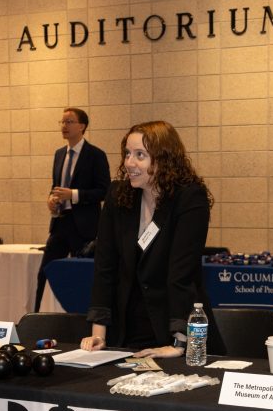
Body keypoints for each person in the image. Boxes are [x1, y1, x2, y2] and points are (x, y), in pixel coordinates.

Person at [80, 120, 223, 358]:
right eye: (127, 154)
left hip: (173, 326)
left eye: (140, 155)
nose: (129, 163)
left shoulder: (189, 199)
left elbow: (182, 275)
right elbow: (105, 267)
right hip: (125, 329)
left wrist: (179, 344)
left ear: (163, 159)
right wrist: (99, 334)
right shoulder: (118, 196)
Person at [33, 107, 111, 311]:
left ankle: (86, 318)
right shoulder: (59, 154)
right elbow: (56, 186)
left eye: (69, 122)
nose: (64, 126)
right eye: (62, 122)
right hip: (60, 223)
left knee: (84, 276)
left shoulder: (95, 155)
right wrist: (52, 199)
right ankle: (35, 316)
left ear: (82, 126)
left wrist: (73, 195)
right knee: (45, 272)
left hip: (84, 227)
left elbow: (104, 191)